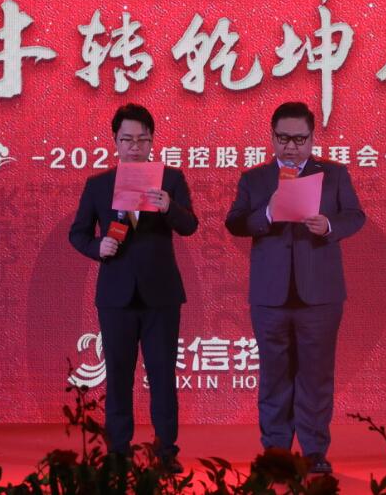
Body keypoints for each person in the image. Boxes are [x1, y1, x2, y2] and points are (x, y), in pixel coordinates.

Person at [224, 101, 366, 474]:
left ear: (312, 138)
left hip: (320, 295)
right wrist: (268, 213)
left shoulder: (334, 174)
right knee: (274, 376)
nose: (291, 146)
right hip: (270, 295)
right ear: (272, 137)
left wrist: (329, 226)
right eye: (283, 138)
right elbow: (235, 222)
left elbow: (355, 216)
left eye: (299, 139)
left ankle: (314, 452)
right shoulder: (255, 179)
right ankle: (276, 453)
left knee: (316, 376)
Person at [68, 103, 198, 472]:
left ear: (152, 141)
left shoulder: (170, 179)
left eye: (142, 140)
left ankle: (166, 450)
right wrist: (98, 247)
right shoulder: (98, 185)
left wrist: (169, 207)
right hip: (116, 295)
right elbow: (78, 233)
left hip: (161, 295)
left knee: (162, 374)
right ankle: (118, 450)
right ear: (115, 141)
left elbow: (190, 226)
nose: (135, 147)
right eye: (127, 140)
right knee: (119, 374)